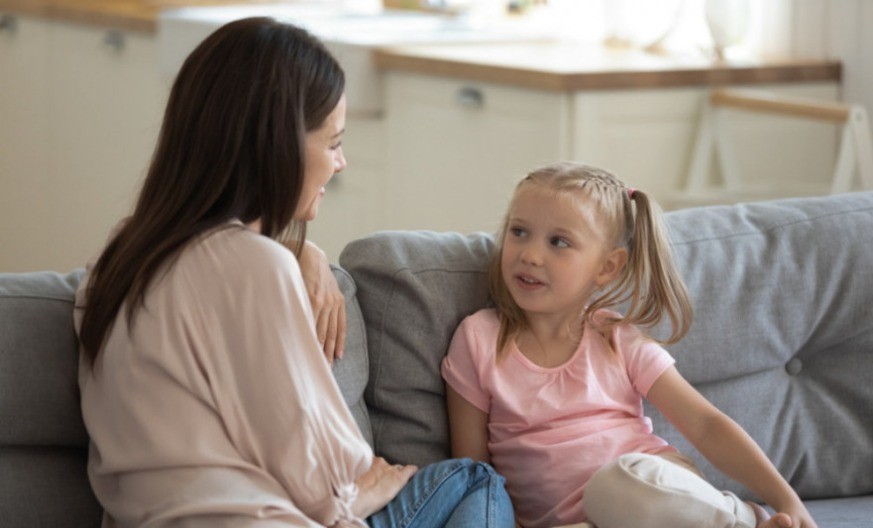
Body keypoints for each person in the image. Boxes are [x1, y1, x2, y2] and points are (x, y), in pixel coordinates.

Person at [74, 17, 514, 528]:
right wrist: (358, 488)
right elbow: (326, 481)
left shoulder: (117, 260)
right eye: (333, 143)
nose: (341, 163)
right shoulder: (254, 267)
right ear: (277, 145)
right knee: (474, 480)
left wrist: (299, 252)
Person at [441, 162, 817, 528]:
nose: (530, 255)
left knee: (615, 484)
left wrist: (787, 500)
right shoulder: (477, 339)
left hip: (649, 493)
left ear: (607, 267)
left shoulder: (615, 337)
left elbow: (706, 426)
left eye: (559, 242)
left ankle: (743, 519)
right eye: (519, 231)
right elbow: (476, 476)